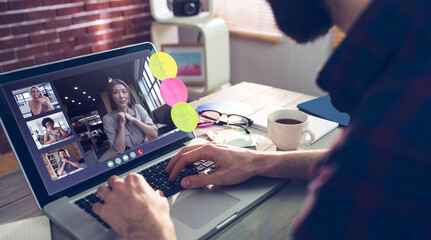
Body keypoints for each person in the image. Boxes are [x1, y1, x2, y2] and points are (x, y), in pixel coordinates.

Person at [93, 0, 431, 239]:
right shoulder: (411, 56)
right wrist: (257, 161)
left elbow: (372, 161)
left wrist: (152, 233)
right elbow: (358, 163)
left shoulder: (392, 131)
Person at [102, 79, 158, 154]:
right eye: (116, 93)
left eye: (124, 92)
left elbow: (154, 134)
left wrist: (135, 120)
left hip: (146, 149)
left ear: (128, 94)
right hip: (128, 155)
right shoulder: (107, 119)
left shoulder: (138, 108)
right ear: (111, 96)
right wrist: (121, 124)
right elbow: (119, 150)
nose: (121, 96)